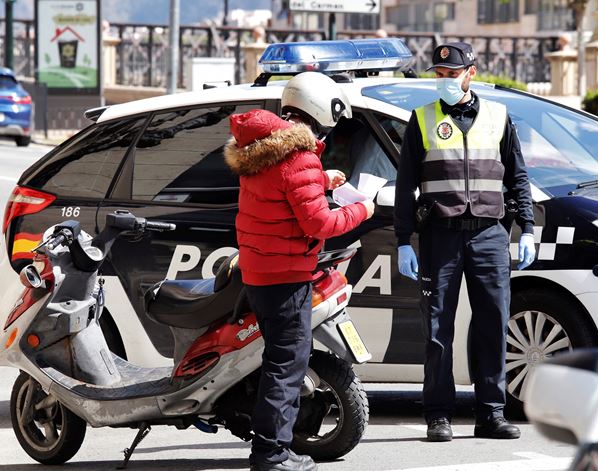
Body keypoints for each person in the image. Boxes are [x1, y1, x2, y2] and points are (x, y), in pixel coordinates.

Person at [224, 71, 375, 471]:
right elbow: (320, 225)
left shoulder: (262, 149)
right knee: (286, 365)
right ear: (319, 110)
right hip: (286, 275)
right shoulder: (298, 157)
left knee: (280, 360)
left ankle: (278, 447)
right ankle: (271, 454)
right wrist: (362, 209)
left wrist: (322, 179)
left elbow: (279, 191)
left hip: (261, 269)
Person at [393, 42, 536, 442]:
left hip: (490, 234)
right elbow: (405, 185)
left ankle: (491, 413)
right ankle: (438, 414)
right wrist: (404, 239)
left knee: (493, 324)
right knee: (437, 329)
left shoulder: (498, 116)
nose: (443, 82)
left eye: (450, 75)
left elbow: (518, 178)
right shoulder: (421, 120)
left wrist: (527, 227)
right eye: (438, 75)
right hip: (440, 235)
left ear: (470, 73)